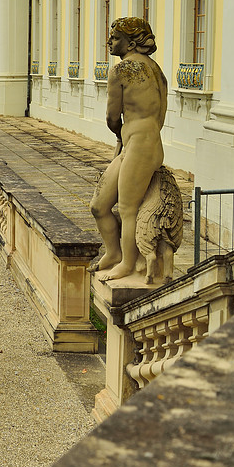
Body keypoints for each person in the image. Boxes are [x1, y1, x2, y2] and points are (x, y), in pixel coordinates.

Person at [89, 17, 168, 281]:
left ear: (131, 41)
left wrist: (121, 133)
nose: (109, 41)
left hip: (141, 144)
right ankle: (113, 253)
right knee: (99, 205)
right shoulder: (157, 71)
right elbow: (162, 114)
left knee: (127, 208)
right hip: (139, 141)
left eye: (114, 37)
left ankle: (126, 262)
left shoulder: (121, 70)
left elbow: (112, 117)